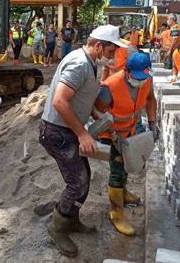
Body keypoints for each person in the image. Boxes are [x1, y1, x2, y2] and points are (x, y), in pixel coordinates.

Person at [39, 25, 126, 257]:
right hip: (57, 132)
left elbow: (79, 97)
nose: (112, 56)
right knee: (77, 184)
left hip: (66, 129)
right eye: (110, 51)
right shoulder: (79, 64)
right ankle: (56, 228)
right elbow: (60, 101)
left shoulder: (89, 61)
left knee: (84, 179)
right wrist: (83, 134)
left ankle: (71, 219)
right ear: (98, 45)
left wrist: (94, 113)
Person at [94, 53, 157, 236]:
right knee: (118, 167)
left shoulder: (146, 79)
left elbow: (150, 99)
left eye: (143, 77)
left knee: (127, 163)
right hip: (110, 130)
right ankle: (117, 213)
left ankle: (123, 192)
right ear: (126, 71)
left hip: (129, 128)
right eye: (137, 77)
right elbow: (97, 111)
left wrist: (152, 123)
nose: (141, 81)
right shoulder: (110, 87)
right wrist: (113, 134)